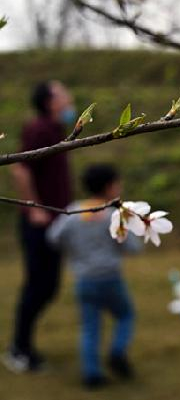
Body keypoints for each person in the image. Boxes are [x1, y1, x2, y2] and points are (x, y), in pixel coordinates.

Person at [47, 164, 141, 389]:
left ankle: (92, 374)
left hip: (84, 280)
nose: (120, 187)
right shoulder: (114, 215)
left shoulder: (74, 212)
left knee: (90, 327)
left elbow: (53, 237)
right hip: (110, 278)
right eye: (118, 183)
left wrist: (75, 250)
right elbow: (133, 248)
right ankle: (117, 351)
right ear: (109, 187)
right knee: (126, 315)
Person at [4, 81, 76, 373]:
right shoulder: (39, 129)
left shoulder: (55, 128)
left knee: (48, 286)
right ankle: (19, 349)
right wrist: (33, 208)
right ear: (49, 101)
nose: (69, 97)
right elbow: (20, 167)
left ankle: (22, 345)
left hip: (54, 220)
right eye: (62, 92)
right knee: (39, 286)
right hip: (40, 222)